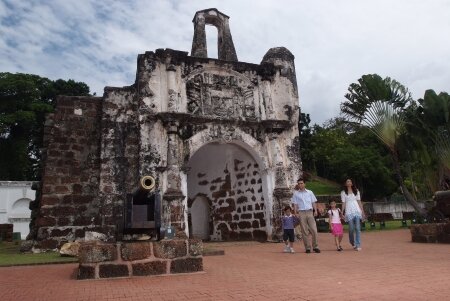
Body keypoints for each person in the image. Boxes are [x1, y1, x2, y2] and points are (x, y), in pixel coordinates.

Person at [291, 178, 321, 253]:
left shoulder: (310, 192)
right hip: (301, 212)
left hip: (310, 211)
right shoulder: (296, 193)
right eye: (299, 183)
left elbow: (313, 202)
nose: (300, 185)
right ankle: (307, 247)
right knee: (304, 231)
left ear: (304, 184)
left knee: (314, 229)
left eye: (301, 183)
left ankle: (315, 246)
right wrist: (295, 213)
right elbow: (295, 204)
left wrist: (315, 210)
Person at [341, 178, 365, 251]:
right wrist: (342, 212)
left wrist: (362, 211)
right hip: (349, 211)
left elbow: (359, 201)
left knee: (357, 228)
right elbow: (343, 203)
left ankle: (358, 245)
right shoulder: (343, 192)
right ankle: (352, 242)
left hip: (357, 210)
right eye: (347, 181)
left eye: (350, 181)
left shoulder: (356, 191)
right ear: (345, 184)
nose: (349, 182)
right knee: (351, 229)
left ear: (352, 183)